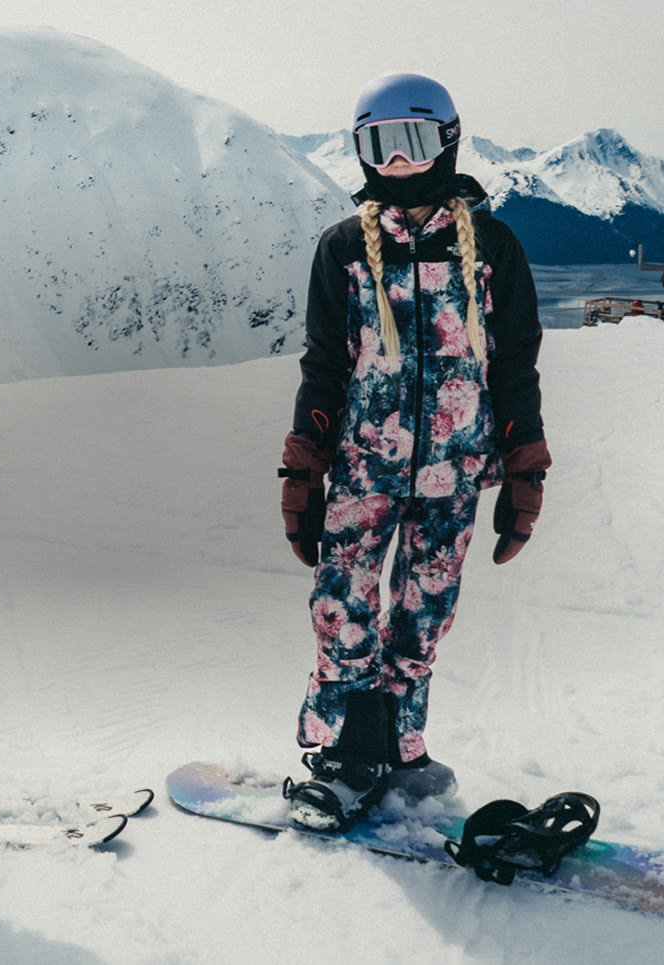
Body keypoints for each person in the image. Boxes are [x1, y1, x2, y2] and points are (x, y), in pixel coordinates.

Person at [279, 74, 550, 833]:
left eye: (413, 142)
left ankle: (400, 744)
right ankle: (345, 753)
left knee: (425, 612)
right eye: (378, 146)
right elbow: (324, 363)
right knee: (344, 607)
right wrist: (305, 464)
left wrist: (524, 466)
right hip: (364, 465)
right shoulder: (344, 250)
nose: (396, 163)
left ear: (448, 141)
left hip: (454, 473)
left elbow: (515, 362)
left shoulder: (492, 248)